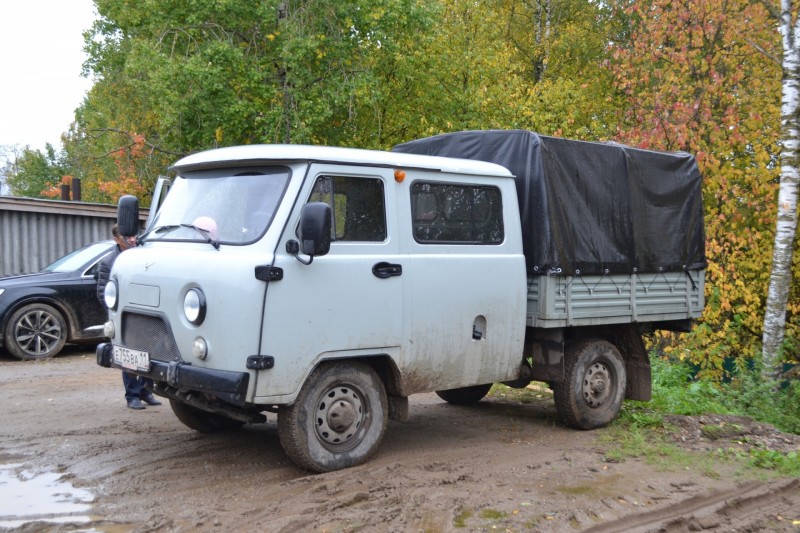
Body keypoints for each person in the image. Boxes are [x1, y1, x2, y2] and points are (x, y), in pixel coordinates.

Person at [96, 224, 163, 410]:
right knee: (130, 357)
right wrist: (117, 315)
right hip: (127, 318)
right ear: (117, 239)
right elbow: (104, 293)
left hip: (147, 315)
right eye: (128, 237)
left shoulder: (143, 256)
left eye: (134, 236)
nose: (133, 239)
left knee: (148, 354)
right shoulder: (109, 262)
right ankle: (132, 395)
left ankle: (145, 391)